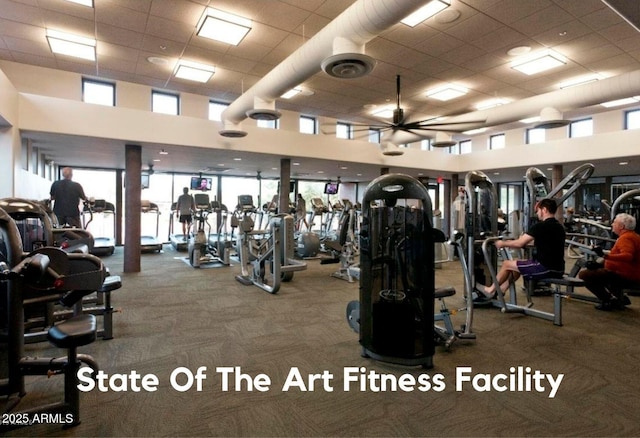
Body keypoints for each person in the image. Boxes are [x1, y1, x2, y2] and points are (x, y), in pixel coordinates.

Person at [475, 198, 565, 302]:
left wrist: (502, 243)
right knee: (516, 265)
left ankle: (490, 290)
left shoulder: (540, 226)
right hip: (558, 269)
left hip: (545, 268)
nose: (537, 213)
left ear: (544, 210)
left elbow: (519, 243)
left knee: (507, 264)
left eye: (538, 211)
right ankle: (502, 290)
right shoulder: (559, 227)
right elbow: (546, 242)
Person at [578, 213, 640, 310]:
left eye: (614, 222)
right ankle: (620, 298)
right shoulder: (634, 236)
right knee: (600, 273)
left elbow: (628, 256)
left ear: (621, 226)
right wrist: (599, 264)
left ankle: (609, 300)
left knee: (585, 275)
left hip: (626, 275)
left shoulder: (626, 238)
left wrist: (604, 255)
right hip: (627, 272)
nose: (612, 224)